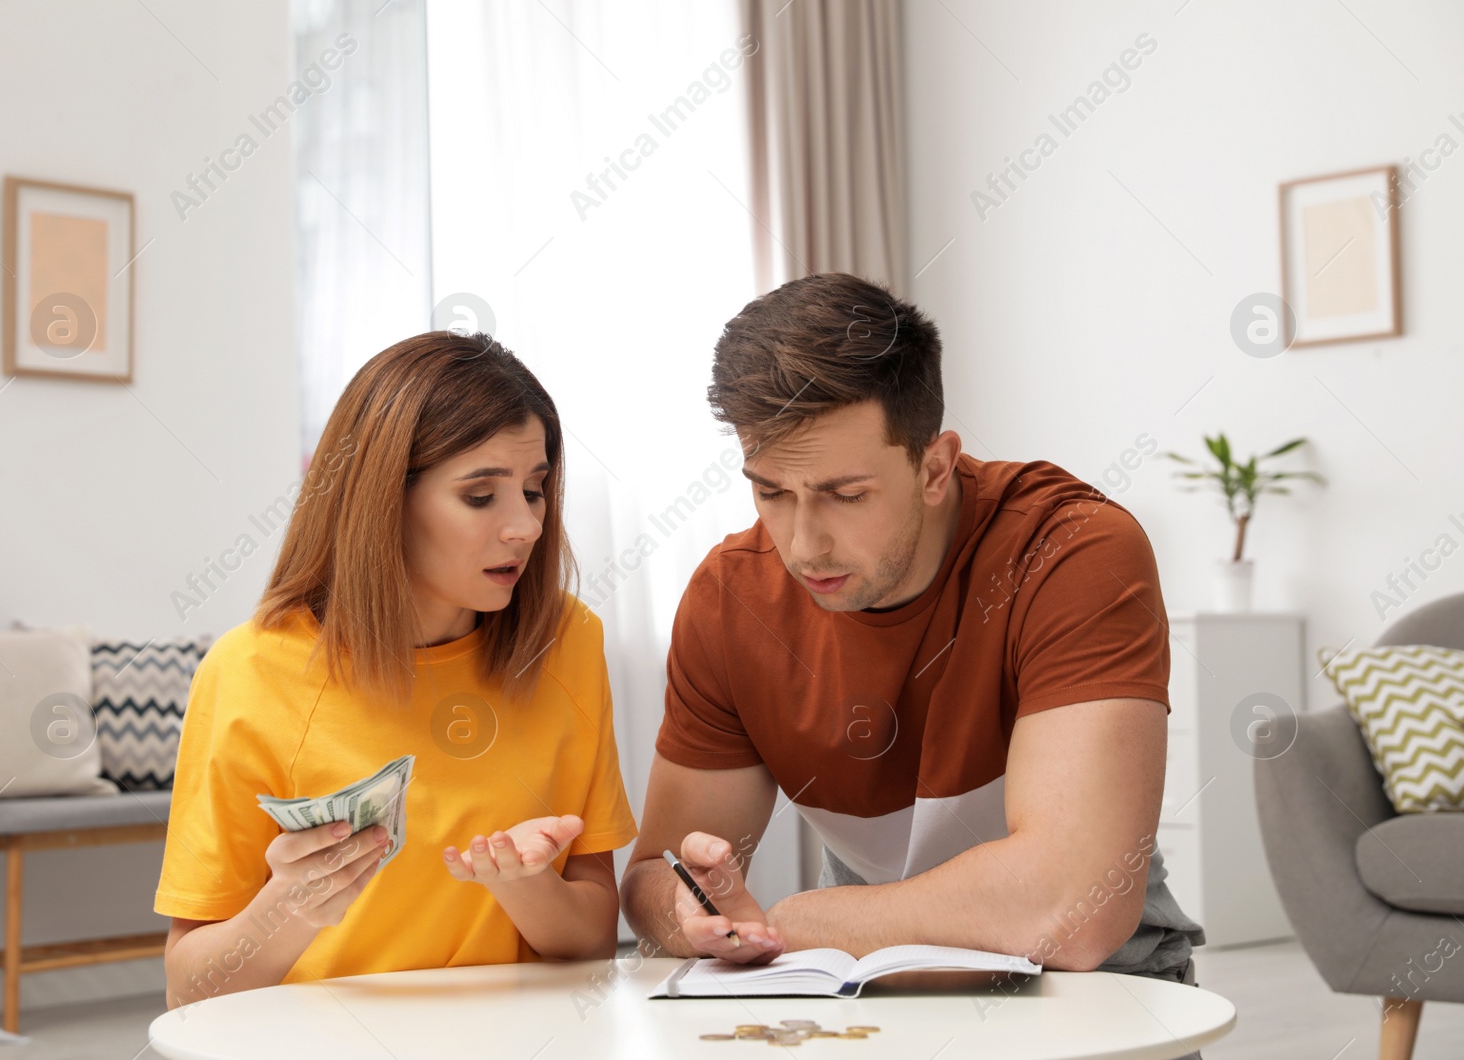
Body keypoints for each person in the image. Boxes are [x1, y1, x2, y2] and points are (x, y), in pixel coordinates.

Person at [620, 272, 1205, 987]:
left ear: (935, 466)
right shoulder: (727, 600)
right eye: (770, 491)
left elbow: (1075, 909)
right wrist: (694, 914)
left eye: (845, 494)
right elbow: (654, 874)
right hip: (865, 984)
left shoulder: (1073, 550)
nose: (803, 544)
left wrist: (803, 922)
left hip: (1095, 988)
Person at [157, 331, 636, 1007]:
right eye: (480, 496)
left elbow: (590, 940)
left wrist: (523, 883)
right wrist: (291, 905)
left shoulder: (564, 643)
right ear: (382, 498)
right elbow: (189, 988)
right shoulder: (249, 671)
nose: (526, 525)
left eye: (534, 490)